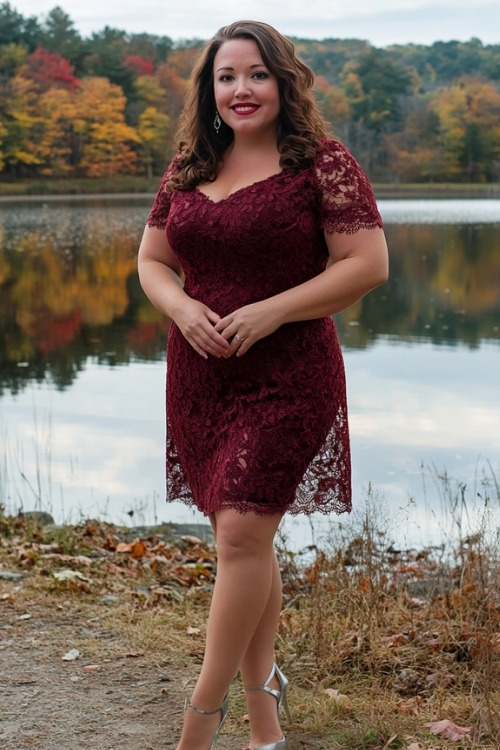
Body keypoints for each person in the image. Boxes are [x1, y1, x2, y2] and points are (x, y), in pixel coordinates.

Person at [138, 19, 388, 750]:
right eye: (226, 76)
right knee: (238, 541)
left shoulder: (321, 163)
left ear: (283, 81)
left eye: (255, 74)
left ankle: (199, 725)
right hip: (199, 375)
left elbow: (366, 265)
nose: (240, 89)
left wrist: (273, 310)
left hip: (290, 374)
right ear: (209, 90)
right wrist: (181, 306)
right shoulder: (190, 164)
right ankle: (266, 728)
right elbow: (152, 262)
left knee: (244, 532)